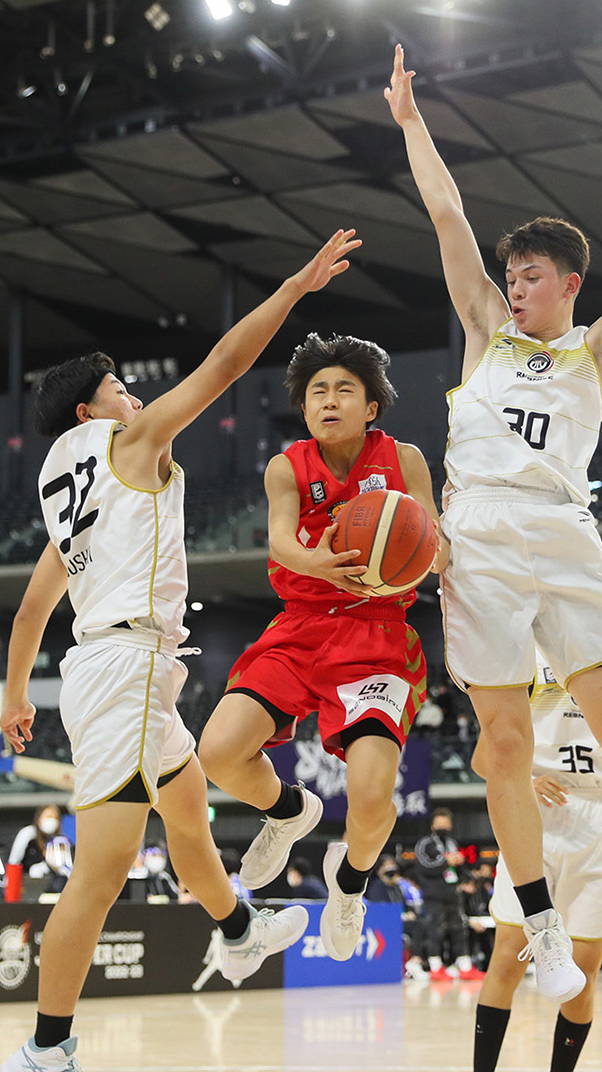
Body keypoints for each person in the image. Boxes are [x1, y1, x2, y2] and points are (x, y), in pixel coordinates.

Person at [0, 230, 355, 1072]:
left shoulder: (71, 486)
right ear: (91, 410)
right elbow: (226, 364)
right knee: (104, 868)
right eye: (120, 387)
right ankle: (44, 1051)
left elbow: (33, 607)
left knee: (189, 812)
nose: (135, 394)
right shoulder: (129, 443)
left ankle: (237, 929)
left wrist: (14, 693)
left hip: (130, 668)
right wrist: (295, 288)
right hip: (122, 668)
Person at [386, 45, 602, 1005]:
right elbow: (446, 216)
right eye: (511, 275)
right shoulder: (484, 333)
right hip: (479, 534)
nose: (514, 286)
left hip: (565, 527)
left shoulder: (595, 350)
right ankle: (537, 925)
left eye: (530, 276)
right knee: (502, 744)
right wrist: (412, 123)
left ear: (568, 284)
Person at [198, 333, 439, 963]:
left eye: (344, 391)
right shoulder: (287, 466)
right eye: (317, 393)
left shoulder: (404, 459)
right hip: (302, 624)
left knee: (372, 797)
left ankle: (350, 884)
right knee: (217, 753)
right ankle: (288, 810)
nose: (329, 401)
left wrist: (416, 557)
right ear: (303, 409)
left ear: (371, 406)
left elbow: (433, 541)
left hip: (377, 635)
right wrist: (318, 563)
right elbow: (281, 541)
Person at [460, 656, 602, 1072]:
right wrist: (524, 779)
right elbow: (482, 758)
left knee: (584, 971)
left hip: (601, 818)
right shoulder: (520, 660)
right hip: (533, 815)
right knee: (508, 957)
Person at [414, 807, 474, 979]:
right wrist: (445, 861)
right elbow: (424, 866)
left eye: (446, 824)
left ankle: (464, 966)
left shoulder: (452, 843)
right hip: (434, 894)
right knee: (435, 930)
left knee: (458, 929)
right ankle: (435, 966)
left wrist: (461, 866)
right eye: (440, 824)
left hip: (452, 892)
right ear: (432, 826)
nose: (443, 827)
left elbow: (457, 869)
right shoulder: (425, 844)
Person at [5, 803, 63, 896]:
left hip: (51, 885)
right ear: (39, 819)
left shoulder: (59, 840)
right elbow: (14, 861)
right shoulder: (28, 834)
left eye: (55, 818)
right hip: (26, 884)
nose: (52, 820)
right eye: (48, 817)